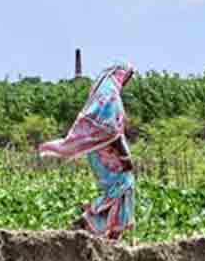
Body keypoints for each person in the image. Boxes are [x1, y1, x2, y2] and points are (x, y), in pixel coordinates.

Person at [39, 62, 136, 240]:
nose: (127, 81)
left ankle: (108, 236)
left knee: (120, 190)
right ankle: (92, 223)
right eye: (127, 77)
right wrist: (125, 156)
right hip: (108, 154)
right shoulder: (110, 97)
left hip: (100, 152)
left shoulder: (104, 95)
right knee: (124, 186)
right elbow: (111, 131)